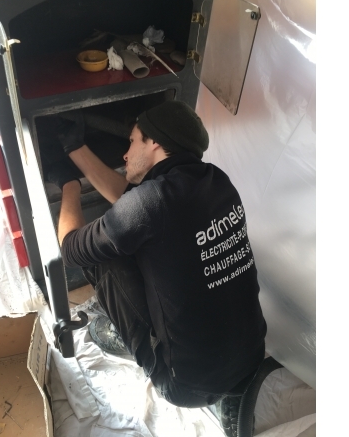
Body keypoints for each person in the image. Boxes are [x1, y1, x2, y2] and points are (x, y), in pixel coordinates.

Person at [46, 100, 267, 410]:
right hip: (250, 361)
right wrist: (76, 150)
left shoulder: (150, 203)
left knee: (101, 255)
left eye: (132, 141)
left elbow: (71, 249)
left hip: (185, 385)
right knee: (130, 238)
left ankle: (137, 339)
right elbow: (131, 209)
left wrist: (70, 185)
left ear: (155, 143)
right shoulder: (217, 181)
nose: (125, 154)